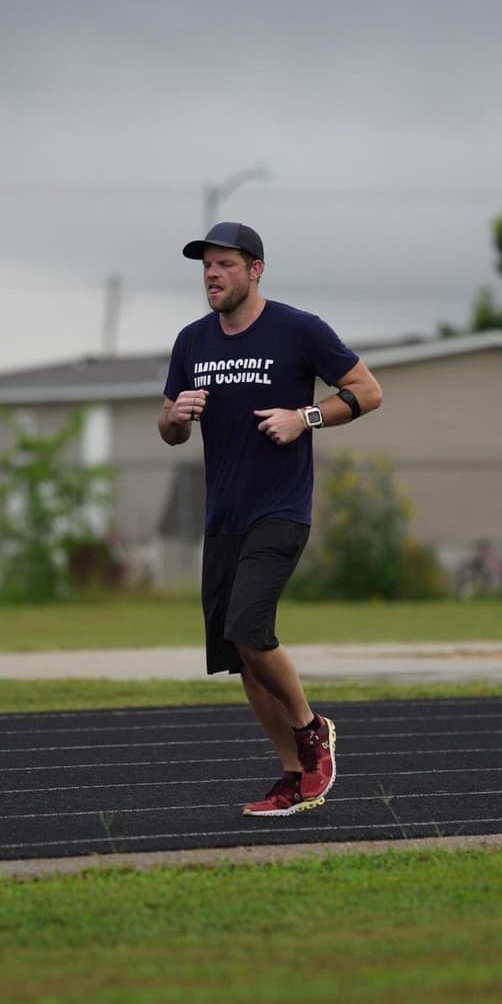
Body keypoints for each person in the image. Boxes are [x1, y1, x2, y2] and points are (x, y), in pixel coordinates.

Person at [158, 222, 383, 816]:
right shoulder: (191, 341)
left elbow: (368, 390)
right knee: (239, 651)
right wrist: (178, 415)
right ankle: (291, 775)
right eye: (206, 265)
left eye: (225, 264)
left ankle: (312, 730)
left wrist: (304, 417)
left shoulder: (298, 328)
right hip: (223, 517)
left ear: (255, 269)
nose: (212, 274)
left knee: (250, 628)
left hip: (280, 510)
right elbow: (169, 430)